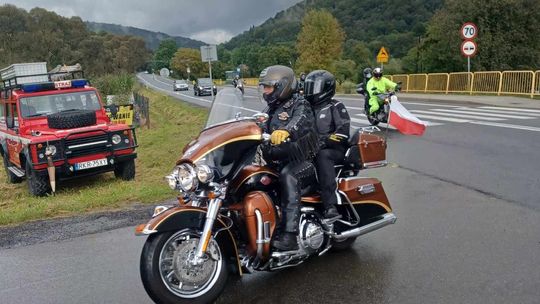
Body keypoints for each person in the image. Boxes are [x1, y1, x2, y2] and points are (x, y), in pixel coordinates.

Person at [259, 65, 319, 251]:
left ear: (282, 86)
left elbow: (301, 121)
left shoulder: (300, 104)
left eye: (268, 87)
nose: (265, 91)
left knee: (288, 176)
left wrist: (287, 130)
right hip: (277, 161)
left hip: (302, 162)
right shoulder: (271, 108)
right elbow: (258, 124)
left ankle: (290, 235)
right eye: (264, 87)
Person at [303, 70, 351, 219]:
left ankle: (330, 205)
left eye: (315, 87)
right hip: (309, 148)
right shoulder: (305, 108)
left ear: (326, 88)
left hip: (334, 150)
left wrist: (323, 141)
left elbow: (343, 132)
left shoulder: (335, 106)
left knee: (322, 156)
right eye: (309, 87)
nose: (311, 91)